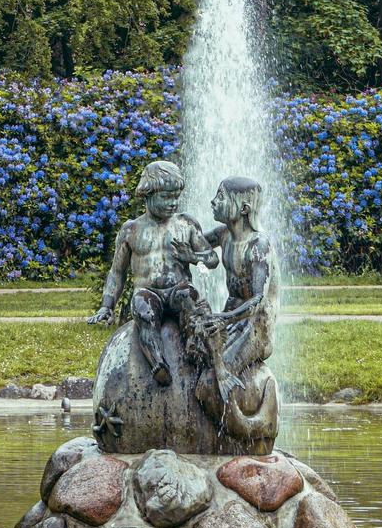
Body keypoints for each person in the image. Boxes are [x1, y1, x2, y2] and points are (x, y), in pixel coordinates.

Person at [86, 160, 217, 386]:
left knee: (190, 298)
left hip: (178, 289)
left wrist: (192, 257)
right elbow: (117, 272)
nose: (173, 203)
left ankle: (195, 351)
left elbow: (212, 259)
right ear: (147, 193)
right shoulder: (131, 230)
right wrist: (107, 306)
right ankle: (158, 364)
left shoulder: (186, 224)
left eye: (176, 197)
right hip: (149, 292)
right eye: (166, 197)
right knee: (143, 311)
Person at [199, 175, 276, 402]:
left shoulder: (258, 245)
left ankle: (239, 428)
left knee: (211, 382)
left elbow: (257, 300)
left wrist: (225, 318)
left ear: (243, 208)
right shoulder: (224, 235)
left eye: (221, 197)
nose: (213, 202)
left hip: (255, 328)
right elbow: (197, 243)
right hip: (232, 321)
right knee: (197, 360)